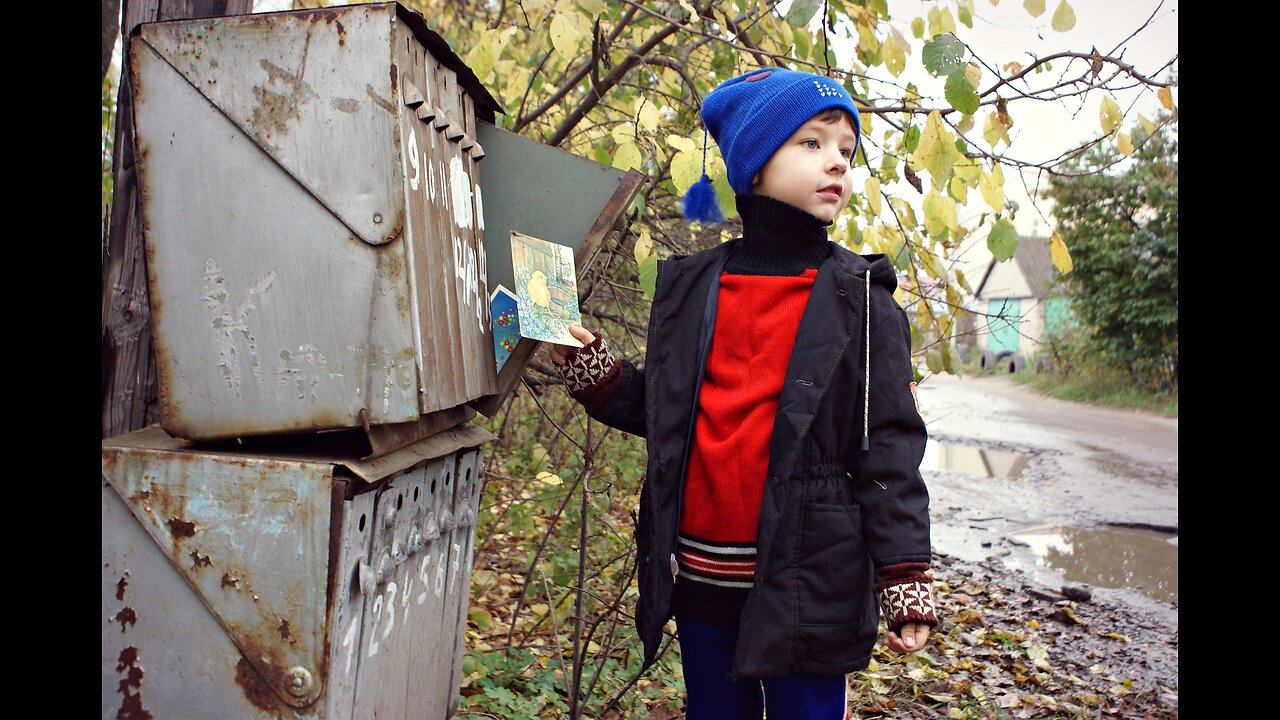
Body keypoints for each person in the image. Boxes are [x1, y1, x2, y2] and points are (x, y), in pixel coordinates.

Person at [549, 67, 937, 720]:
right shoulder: (694, 287)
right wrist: (604, 379)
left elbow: (890, 449)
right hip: (701, 583)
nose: (836, 162)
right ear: (754, 163)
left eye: (846, 149)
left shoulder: (862, 302)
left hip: (810, 584)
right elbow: (674, 417)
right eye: (812, 144)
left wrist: (903, 573)